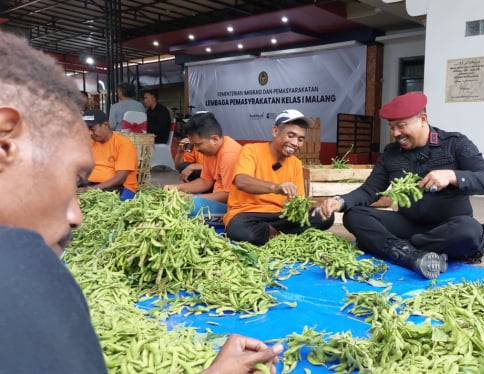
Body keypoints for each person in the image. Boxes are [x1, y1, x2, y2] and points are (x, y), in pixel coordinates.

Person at [0, 30, 282, 374]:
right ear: (5, 141)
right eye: (74, 179)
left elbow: (218, 189)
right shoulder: (22, 278)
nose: (78, 216)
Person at [318, 92, 484, 279]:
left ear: (423, 119)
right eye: (392, 127)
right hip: (408, 223)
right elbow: (370, 190)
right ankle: (415, 255)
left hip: (448, 226)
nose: (395, 133)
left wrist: (452, 176)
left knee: (469, 231)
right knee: (354, 215)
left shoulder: (456, 144)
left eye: (401, 126)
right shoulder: (390, 155)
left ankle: (397, 248)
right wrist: (340, 201)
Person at [223, 109, 335, 245]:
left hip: (280, 216)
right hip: (248, 214)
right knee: (239, 230)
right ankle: (284, 235)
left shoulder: (295, 163)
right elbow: (242, 181)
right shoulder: (251, 150)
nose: (295, 143)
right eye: (291, 135)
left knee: (325, 217)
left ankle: (270, 233)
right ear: (275, 131)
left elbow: (298, 203)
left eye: (300, 139)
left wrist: (320, 203)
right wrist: (275, 188)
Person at [165, 112, 241, 218]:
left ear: (214, 139)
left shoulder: (229, 155)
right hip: (220, 199)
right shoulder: (211, 150)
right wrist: (179, 188)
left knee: (186, 208)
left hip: (234, 207)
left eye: (198, 144)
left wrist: (193, 198)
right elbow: (206, 181)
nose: (196, 149)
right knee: (174, 203)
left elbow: (229, 195)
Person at [78, 109, 138, 201]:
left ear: (105, 125)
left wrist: (89, 190)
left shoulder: (123, 144)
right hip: (93, 185)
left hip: (118, 187)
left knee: (99, 203)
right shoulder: (90, 143)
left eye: (92, 129)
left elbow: (120, 178)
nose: (90, 133)